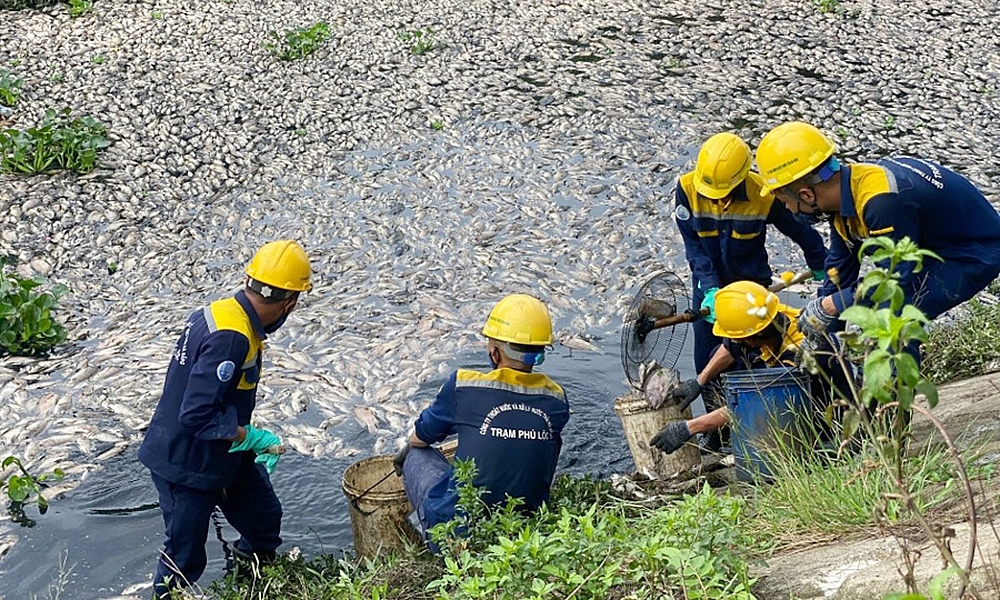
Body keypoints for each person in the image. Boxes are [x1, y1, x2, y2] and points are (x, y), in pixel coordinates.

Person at [138, 240, 312, 598]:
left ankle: (253, 585)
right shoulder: (230, 335)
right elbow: (196, 415)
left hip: (225, 455)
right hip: (186, 463)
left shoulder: (218, 312)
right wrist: (249, 436)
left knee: (263, 521)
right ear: (290, 303)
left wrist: (241, 441)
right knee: (183, 558)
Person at [754, 121, 1000, 355]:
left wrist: (831, 306)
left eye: (786, 202)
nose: (789, 211)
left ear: (806, 195)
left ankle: (894, 394)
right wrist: (820, 332)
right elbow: (838, 272)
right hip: (928, 247)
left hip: (973, 251)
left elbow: (893, 281)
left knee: (892, 315)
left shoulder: (881, 202)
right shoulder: (842, 195)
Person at [673, 132, 828, 450]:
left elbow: (803, 233)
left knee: (754, 367)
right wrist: (710, 288)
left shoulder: (763, 194)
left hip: (751, 289)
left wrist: (824, 269)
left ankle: (755, 427)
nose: (717, 199)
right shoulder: (687, 189)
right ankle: (717, 436)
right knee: (708, 359)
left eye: (725, 192)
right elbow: (694, 248)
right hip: (708, 291)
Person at [393, 294, 570, 549]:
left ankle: (432, 531)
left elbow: (422, 435)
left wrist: (407, 449)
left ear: (495, 351)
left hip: (458, 536)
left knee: (414, 454)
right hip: (524, 530)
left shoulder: (465, 385)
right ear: (540, 352)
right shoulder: (556, 399)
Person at [649, 281, 852, 455]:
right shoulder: (770, 317)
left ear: (753, 337)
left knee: (770, 410)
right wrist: (699, 382)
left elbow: (759, 403)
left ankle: (818, 447)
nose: (733, 341)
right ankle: (722, 433)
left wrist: (690, 427)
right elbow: (729, 348)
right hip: (786, 392)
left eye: (739, 338)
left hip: (823, 418)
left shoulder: (798, 352)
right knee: (718, 357)